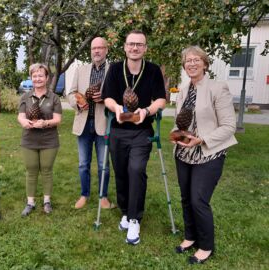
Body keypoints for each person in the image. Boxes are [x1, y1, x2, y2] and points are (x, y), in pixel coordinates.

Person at [171, 46, 237, 264]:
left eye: (195, 60)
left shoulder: (218, 88)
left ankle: (206, 246)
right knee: (186, 198)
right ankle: (190, 236)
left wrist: (203, 140)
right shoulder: (182, 90)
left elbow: (229, 126)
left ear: (205, 63)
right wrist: (177, 133)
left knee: (199, 199)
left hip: (208, 154)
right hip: (184, 153)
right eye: (187, 61)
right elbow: (180, 120)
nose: (191, 64)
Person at [101, 30, 166, 245]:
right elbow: (108, 97)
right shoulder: (114, 68)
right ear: (125, 47)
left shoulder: (154, 70)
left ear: (145, 48)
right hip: (119, 130)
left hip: (142, 130)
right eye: (131, 44)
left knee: (136, 169)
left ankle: (135, 218)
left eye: (139, 44)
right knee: (120, 171)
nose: (135, 48)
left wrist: (147, 111)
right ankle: (125, 211)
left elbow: (161, 100)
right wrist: (117, 107)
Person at [67, 37, 114, 209]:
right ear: (91, 50)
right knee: (83, 163)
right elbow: (70, 93)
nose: (97, 51)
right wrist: (77, 102)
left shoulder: (114, 70)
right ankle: (84, 195)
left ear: (106, 50)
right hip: (84, 123)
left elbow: (120, 94)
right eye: (94, 48)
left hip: (104, 123)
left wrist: (106, 99)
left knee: (104, 164)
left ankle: (103, 197)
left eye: (100, 48)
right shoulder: (81, 70)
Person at [17, 63, 62, 216]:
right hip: (29, 140)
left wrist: (45, 123)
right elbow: (21, 115)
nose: (37, 78)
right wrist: (23, 122)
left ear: (47, 78)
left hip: (49, 140)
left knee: (47, 170)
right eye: (34, 76)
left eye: (41, 75)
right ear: (31, 78)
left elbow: (58, 119)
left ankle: (46, 201)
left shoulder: (54, 98)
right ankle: (30, 203)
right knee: (31, 171)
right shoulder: (25, 96)